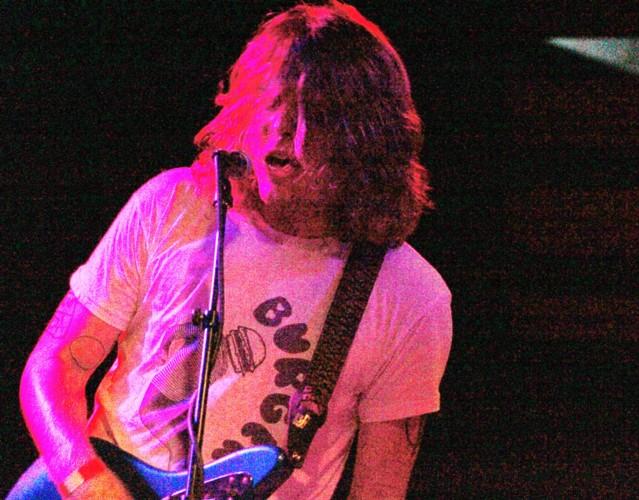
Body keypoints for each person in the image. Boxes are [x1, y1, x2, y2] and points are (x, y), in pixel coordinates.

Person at [11, 1, 452, 498]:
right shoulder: (171, 205)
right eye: (274, 101)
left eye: (316, 114)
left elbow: (378, 491)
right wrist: (85, 481)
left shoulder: (410, 295)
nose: (284, 128)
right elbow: (58, 364)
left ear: (366, 139)